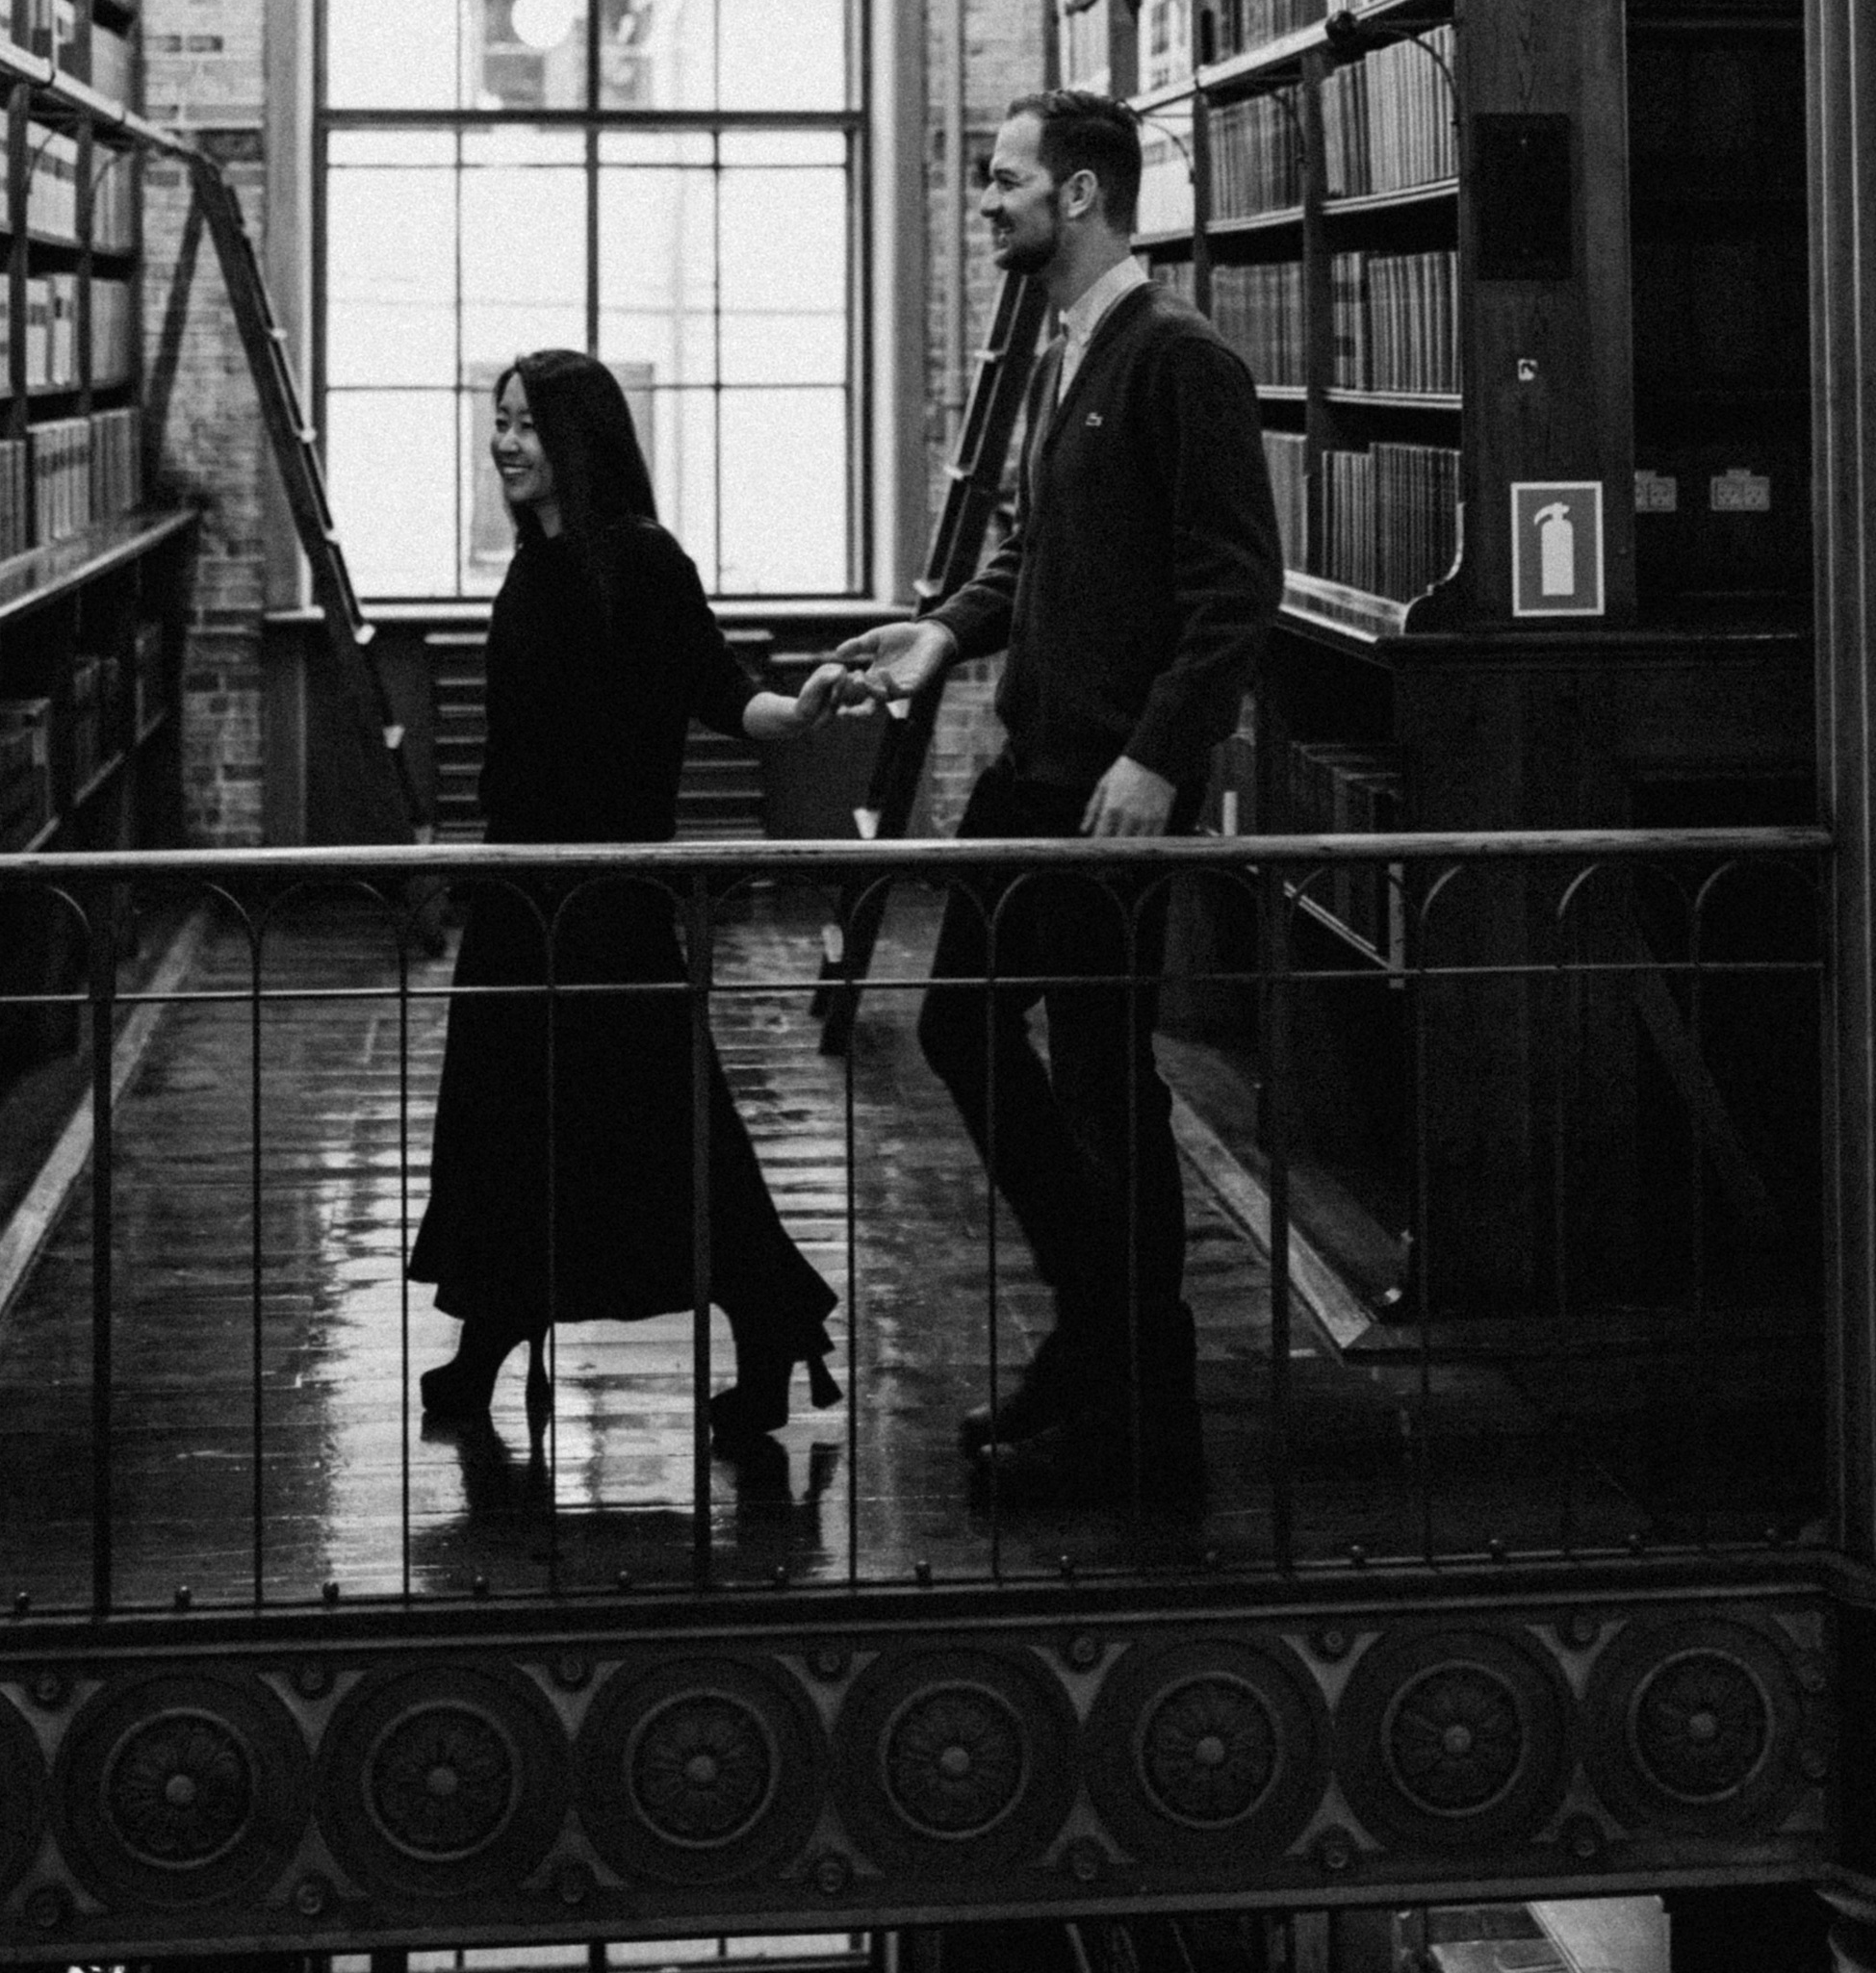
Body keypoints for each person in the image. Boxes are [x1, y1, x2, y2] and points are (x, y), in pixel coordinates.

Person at [833, 90, 1283, 1505]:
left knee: (1102, 1086)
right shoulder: (1064, 355)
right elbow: (1033, 554)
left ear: (1080, 196)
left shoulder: (1178, 360)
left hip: (1104, 795)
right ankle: (1108, 1342)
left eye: (1006, 181)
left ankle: (1136, 1394)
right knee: (968, 1032)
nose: (987, 202)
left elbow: (1234, 592)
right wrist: (946, 632)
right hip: (1031, 774)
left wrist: (1158, 757)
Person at [409, 349, 845, 1448]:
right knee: (512, 1117)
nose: (502, 439)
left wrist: (798, 714)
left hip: (607, 904)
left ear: (578, 436)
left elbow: (718, 686)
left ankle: (772, 1312)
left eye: (522, 423)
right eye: (496, 420)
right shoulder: (533, 560)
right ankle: (493, 1331)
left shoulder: (642, 561)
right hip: (520, 891)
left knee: (658, 1127)